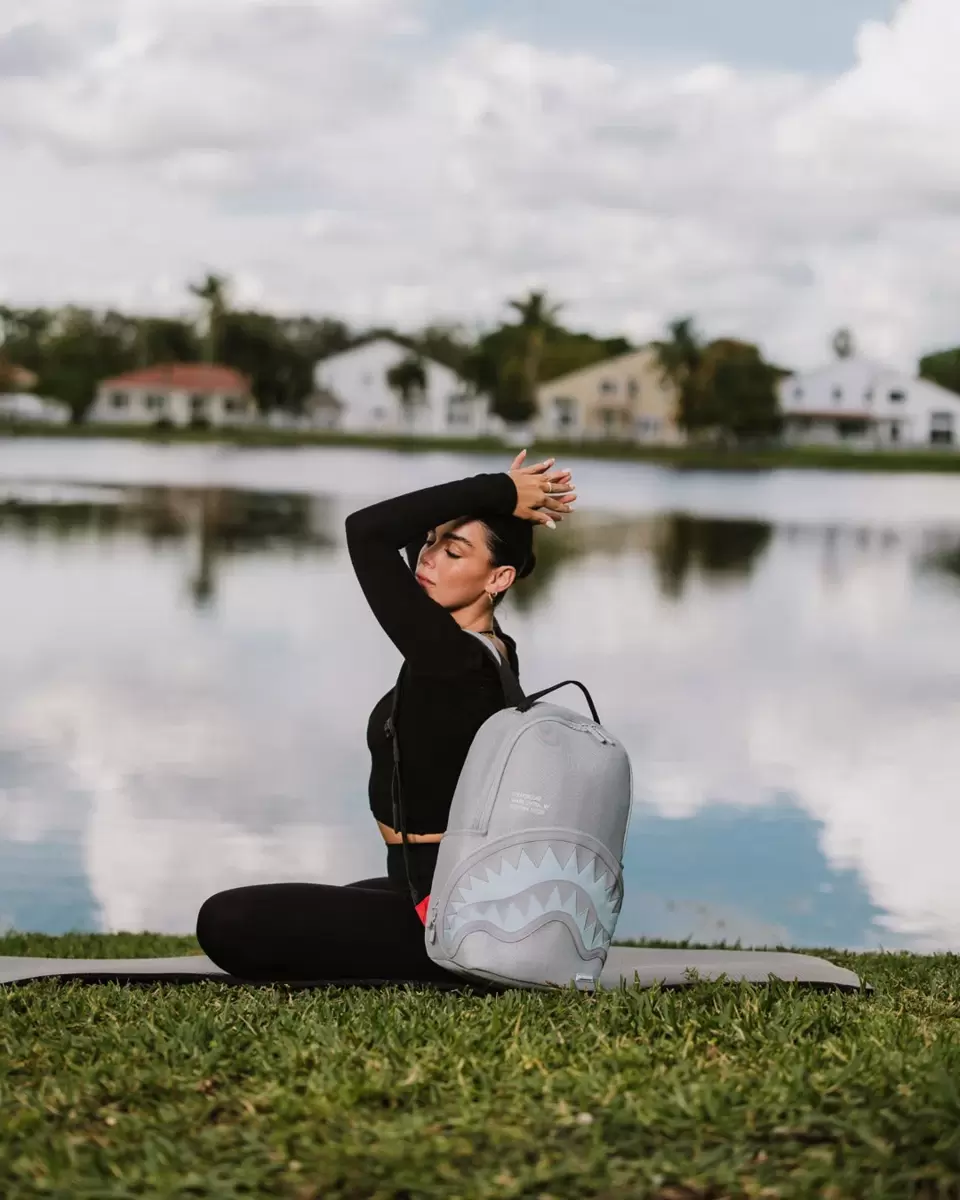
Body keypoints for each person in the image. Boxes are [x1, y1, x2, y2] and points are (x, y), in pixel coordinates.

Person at [195, 449, 577, 983]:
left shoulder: (450, 658)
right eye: (431, 542)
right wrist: (496, 498)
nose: (427, 558)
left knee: (225, 919)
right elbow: (400, 528)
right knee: (329, 904)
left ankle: (453, 958)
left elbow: (367, 531)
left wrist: (498, 490)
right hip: (429, 885)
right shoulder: (490, 648)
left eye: (454, 552)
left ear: (499, 578)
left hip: (441, 904)